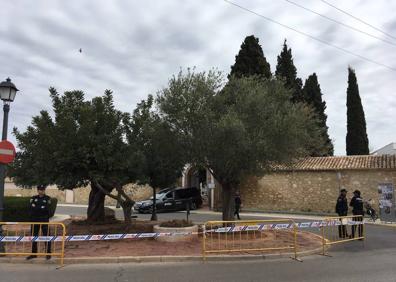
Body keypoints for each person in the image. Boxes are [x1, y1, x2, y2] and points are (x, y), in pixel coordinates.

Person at [26, 185, 52, 260]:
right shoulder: (33, 198)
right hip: (35, 220)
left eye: (43, 189)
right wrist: (41, 207)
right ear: (37, 190)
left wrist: (37, 207)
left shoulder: (47, 198)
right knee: (34, 237)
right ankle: (34, 254)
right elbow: (31, 207)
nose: (41, 191)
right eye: (40, 190)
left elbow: (47, 209)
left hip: (44, 220)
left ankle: (48, 253)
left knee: (46, 237)